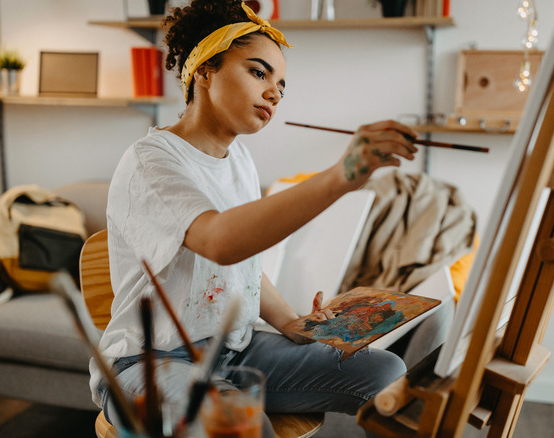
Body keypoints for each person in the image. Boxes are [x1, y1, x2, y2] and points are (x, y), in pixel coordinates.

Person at [90, 0, 419, 435]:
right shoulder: (150, 163)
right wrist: (341, 177)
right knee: (240, 424)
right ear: (204, 71)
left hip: (236, 349)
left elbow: (244, 268)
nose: (274, 93)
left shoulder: (239, 160)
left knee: (387, 373)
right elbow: (222, 242)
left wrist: (293, 325)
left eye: (282, 84)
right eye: (259, 73)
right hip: (150, 361)